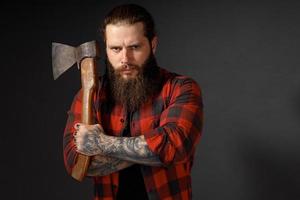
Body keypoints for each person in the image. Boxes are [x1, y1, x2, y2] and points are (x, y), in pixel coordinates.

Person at [63, 4, 203, 200]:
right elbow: (76, 164)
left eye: (134, 47)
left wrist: (101, 143)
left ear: (153, 45)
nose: (125, 59)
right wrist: (149, 150)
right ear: (106, 48)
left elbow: (175, 146)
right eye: (115, 49)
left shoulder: (181, 88)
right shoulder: (89, 96)